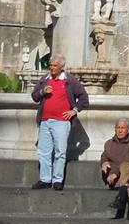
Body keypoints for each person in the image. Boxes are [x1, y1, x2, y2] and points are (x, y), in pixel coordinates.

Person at [32, 56, 90, 190]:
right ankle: (45, 179)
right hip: (45, 121)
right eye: (51, 65)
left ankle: (57, 180)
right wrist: (42, 92)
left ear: (62, 67)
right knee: (43, 151)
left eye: (55, 66)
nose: (52, 68)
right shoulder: (45, 79)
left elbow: (84, 98)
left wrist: (74, 111)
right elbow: (34, 96)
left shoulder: (69, 81)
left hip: (61, 122)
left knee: (60, 151)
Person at [100, 118, 129, 220]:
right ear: (115, 129)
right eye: (118, 128)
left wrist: (115, 173)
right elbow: (104, 156)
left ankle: (120, 200)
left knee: (127, 167)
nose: (120, 130)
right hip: (121, 180)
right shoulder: (108, 144)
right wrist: (104, 162)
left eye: (123, 128)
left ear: (128, 130)